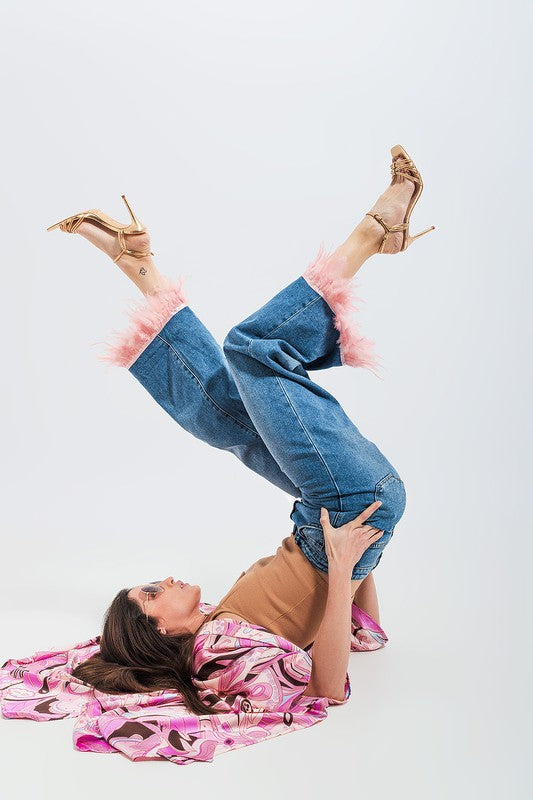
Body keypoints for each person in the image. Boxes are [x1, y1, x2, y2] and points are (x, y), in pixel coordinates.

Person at [46, 144, 434, 716]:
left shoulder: (221, 624)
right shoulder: (219, 651)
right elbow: (327, 687)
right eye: (153, 593)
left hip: (336, 510)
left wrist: (362, 563)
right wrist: (348, 558)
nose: (166, 579)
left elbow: (366, 634)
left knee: (224, 418)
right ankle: (373, 236)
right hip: (348, 502)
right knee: (251, 349)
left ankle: (141, 266)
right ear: (159, 631)